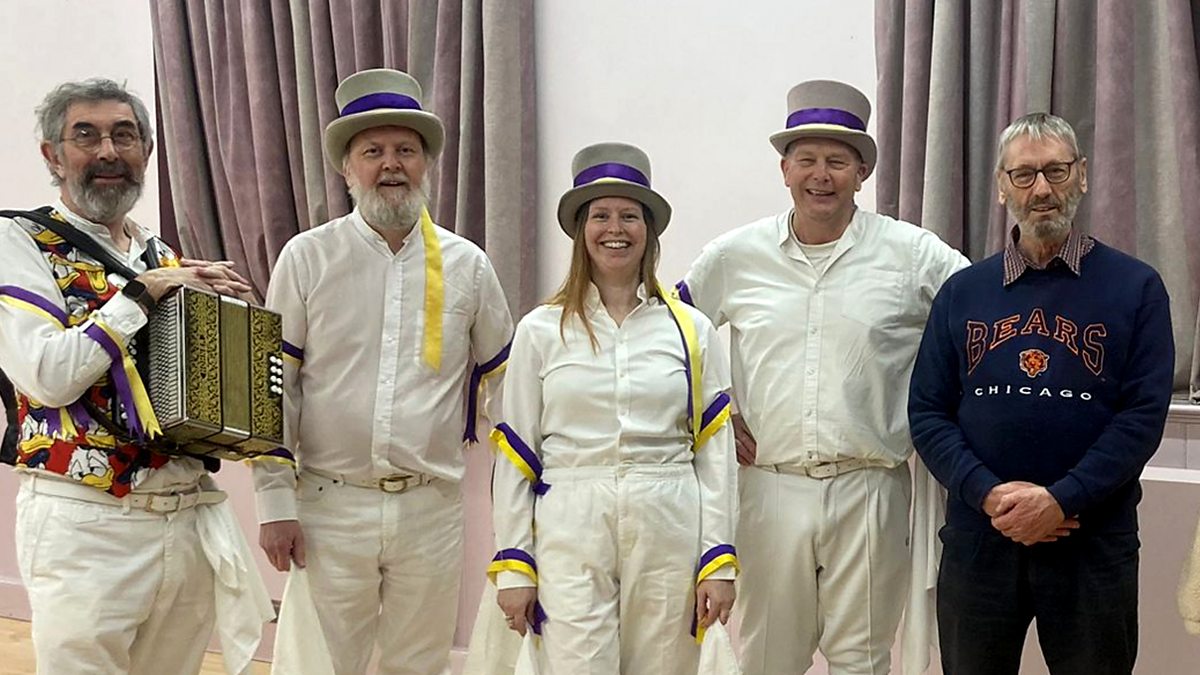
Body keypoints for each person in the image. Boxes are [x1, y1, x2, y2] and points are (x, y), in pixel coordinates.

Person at [678, 80, 970, 674]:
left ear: (862, 173)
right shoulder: (735, 256)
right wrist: (714, 410)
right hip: (770, 488)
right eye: (806, 159)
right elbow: (670, 337)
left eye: (837, 161)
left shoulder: (913, 254)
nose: (821, 175)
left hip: (872, 488)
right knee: (767, 657)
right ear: (784, 169)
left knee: (862, 660)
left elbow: (983, 318)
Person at [0, 78, 267, 674]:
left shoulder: (159, 254)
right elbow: (48, 377)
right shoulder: (19, 241)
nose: (107, 152)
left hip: (184, 514)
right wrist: (143, 293)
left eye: (124, 136)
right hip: (84, 522)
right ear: (52, 155)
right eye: (85, 136)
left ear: (146, 151)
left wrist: (229, 328)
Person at [255, 68, 514, 674]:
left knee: (419, 664)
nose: (391, 164)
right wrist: (273, 502)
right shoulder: (307, 257)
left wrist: (525, 501)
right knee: (317, 664)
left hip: (431, 508)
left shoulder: (469, 265)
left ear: (427, 165)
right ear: (347, 169)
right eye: (373, 151)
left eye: (406, 150)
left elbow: (506, 388)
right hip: (328, 505)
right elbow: (273, 386)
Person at [909, 112, 1174, 675]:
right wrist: (989, 496)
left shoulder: (1137, 287)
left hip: (1092, 543)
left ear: (1083, 175)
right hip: (980, 541)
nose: (1042, 189)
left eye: (1056, 171)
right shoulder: (962, 292)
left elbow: (1142, 417)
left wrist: (1061, 500)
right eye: (1024, 175)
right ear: (1002, 186)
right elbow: (928, 413)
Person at [490, 142, 738, 673]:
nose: (615, 228)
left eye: (629, 215)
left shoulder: (691, 330)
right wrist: (514, 564)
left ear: (649, 229)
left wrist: (718, 559)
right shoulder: (540, 330)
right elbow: (516, 453)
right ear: (581, 230)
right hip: (570, 520)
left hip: (668, 517)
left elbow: (715, 454)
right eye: (600, 215)